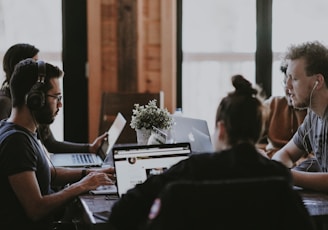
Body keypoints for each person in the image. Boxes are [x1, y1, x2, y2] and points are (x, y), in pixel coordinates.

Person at [108, 75, 292, 229]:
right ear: (259, 130)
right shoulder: (279, 176)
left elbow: (121, 212)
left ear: (221, 129)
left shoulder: (191, 169)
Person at [0, 58, 115, 229]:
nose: (60, 104)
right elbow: (36, 208)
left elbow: (49, 174)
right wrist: (83, 185)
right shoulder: (16, 142)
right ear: (34, 99)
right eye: (56, 97)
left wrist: (90, 172)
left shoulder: (18, 131)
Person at [0, 43, 107, 154]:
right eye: (34, 63)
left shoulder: (37, 101)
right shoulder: (6, 104)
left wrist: (89, 148)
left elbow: (51, 144)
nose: (40, 72)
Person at [272, 41, 328, 191]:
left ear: (318, 81)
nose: (287, 86)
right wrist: (283, 169)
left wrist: (287, 175)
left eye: (295, 79)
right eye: (287, 78)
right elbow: (285, 153)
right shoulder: (313, 117)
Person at [258, 62, 320, 172]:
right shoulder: (273, 104)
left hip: (304, 169)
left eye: (294, 81)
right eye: (285, 82)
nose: (288, 88)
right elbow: (249, 138)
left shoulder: (315, 114)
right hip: (277, 162)